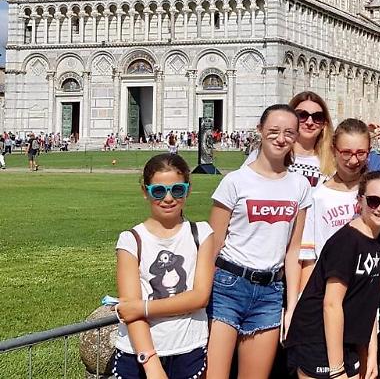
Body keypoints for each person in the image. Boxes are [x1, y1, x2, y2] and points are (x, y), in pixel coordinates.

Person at [206, 104, 312, 379]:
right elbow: (213, 244)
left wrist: (292, 306)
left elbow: (293, 251)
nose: (281, 138)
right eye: (274, 131)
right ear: (260, 131)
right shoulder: (235, 181)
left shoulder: (300, 185)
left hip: (270, 291)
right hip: (228, 285)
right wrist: (201, 294)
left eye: (289, 132)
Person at [286, 171, 380, 379]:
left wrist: (372, 352)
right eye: (373, 201)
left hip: (347, 338)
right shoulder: (346, 242)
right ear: (360, 201)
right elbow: (331, 304)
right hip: (316, 337)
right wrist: (337, 370)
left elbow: (369, 302)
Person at [112, 153, 215, 379]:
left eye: (177, 190)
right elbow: (129, 309)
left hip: (187, 349)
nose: (168, 198)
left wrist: (143, 307)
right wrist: (152, 365)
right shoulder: (131, 240)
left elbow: (199, 297)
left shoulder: (202, 234)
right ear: (145, 191)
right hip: (139, 354)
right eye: (158, 191)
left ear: (188, 190)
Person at [300, 119, 371, 289]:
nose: (353, 161)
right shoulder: (318, 197)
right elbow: (308, 257)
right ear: (333, 150)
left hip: (365, 289)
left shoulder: (377, 194)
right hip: (327, 287)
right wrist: (303, 297)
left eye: (361, 153)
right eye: (346, 153)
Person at [244, 91, 335, 186]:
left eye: (317, 117)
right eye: (302, 115)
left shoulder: (334, 162)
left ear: (324, 124)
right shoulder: (263, 156)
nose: (309, 122)